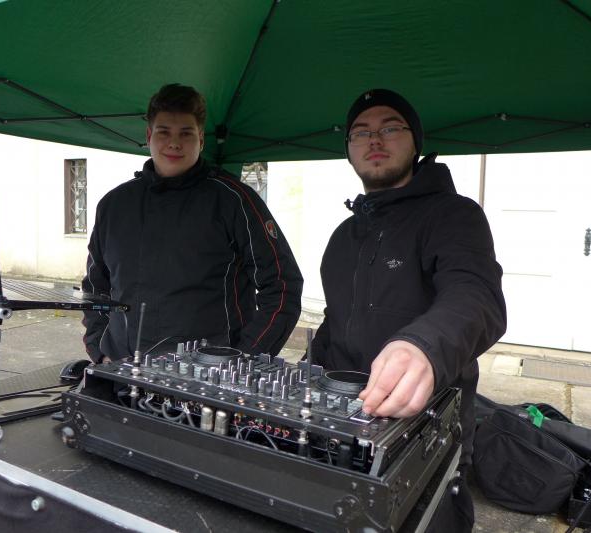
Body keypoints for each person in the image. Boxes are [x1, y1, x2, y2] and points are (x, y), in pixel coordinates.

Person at [310, 88, 506, 531]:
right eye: (361, 132)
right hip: (343, 426)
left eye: (390, 128)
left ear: (416, 141)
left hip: (427, 437)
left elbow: (475, 294)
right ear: (349, 150)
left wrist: (422, 347)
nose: (374, 140)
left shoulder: (454, 215)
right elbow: (337, 319)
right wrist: (306, 376)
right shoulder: (343, 237)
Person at [82, 83, 303, 363]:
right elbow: (95, 287)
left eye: (185, 133)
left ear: (201, 139)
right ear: (149, 136)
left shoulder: (234, 200)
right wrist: (99, 348)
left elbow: (282, 286)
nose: (174, 143)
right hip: (122, 370)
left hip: (207, 377)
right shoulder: (114, 205)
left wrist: (244, 359)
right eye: (164, 132)